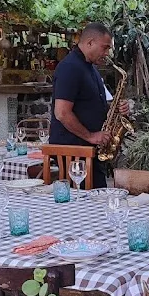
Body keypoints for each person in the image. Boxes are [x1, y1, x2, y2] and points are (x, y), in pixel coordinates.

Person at [49, 22, 129, 188]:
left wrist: (116, 110)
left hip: (86, 151)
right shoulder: (70, 68)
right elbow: (62, 113)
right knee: (88, 206)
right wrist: (91, 136)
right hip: (74, 152)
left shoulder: (90, 68)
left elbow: (90, 105)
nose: (107, 53)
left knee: (97, 204)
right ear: (90, 42)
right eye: (105, 48)